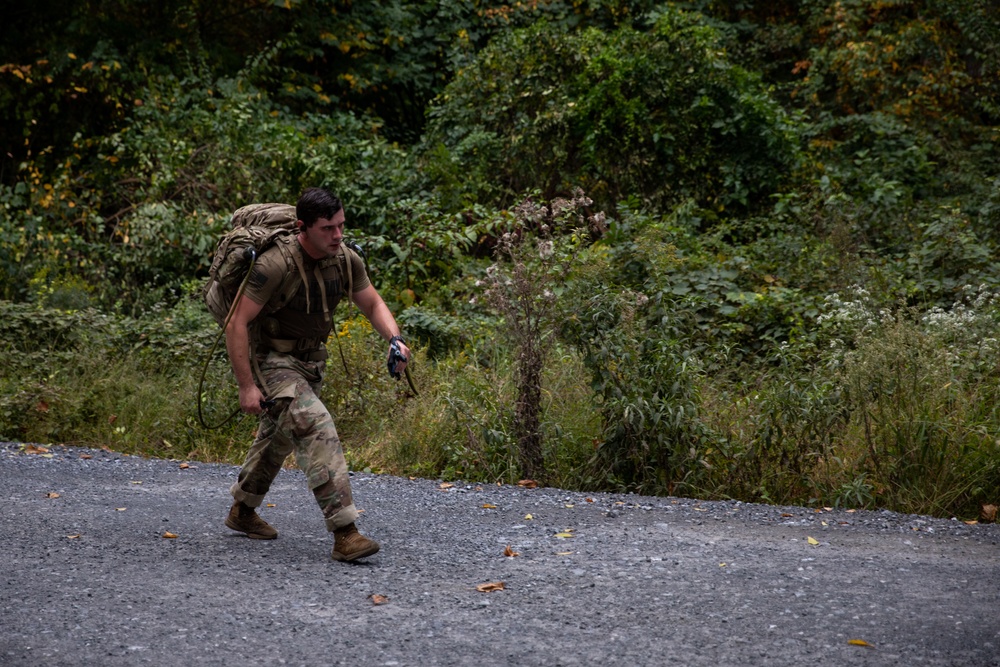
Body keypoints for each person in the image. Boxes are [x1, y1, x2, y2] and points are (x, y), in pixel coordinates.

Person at [222, 187, 409, 562]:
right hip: (270, 361)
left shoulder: (344, 259)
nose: (337, 235)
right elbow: (235, 323)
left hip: (309, 363)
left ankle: (242, 511)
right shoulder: (274, 265)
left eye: (341, 226)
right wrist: (246, 386)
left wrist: (395, 339)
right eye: (327, 229)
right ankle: (346, 533)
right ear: (302, 227)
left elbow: (370, 301)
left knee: (278, 438)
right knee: (315, 425)